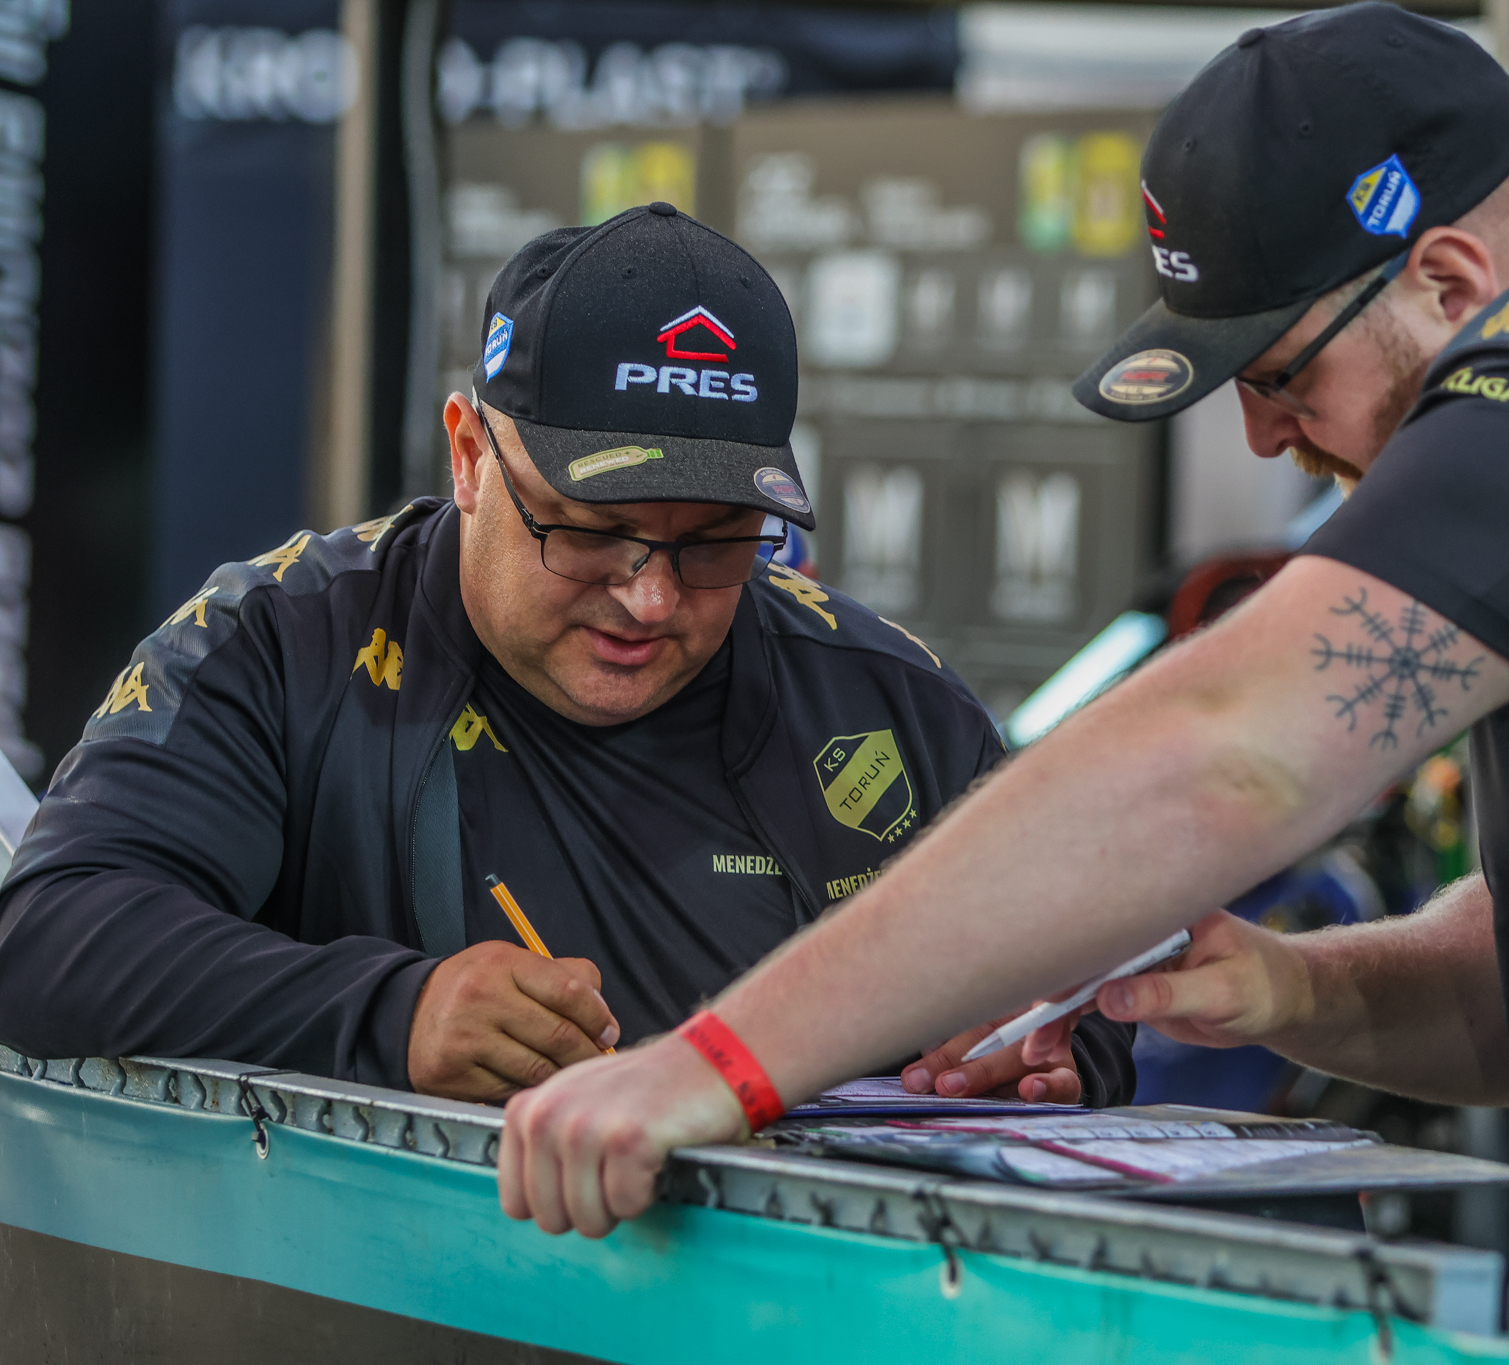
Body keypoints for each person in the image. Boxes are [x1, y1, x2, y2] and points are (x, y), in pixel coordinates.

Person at [496, 4, 1509, 1346]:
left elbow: (1224, 748)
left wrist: (715, 1063)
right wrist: (1291, 991)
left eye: (1285, 373)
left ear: (1452, 281)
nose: (1262, 435)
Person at [0, 205, 1134, 1109]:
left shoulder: (889, 703)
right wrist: (390, 1014)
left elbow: (1081, 1005)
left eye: (716, 544)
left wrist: (1048, 1050)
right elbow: (47, 937)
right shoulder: (288, 642)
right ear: (468, 456)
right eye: (591, 531)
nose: (650, 597)